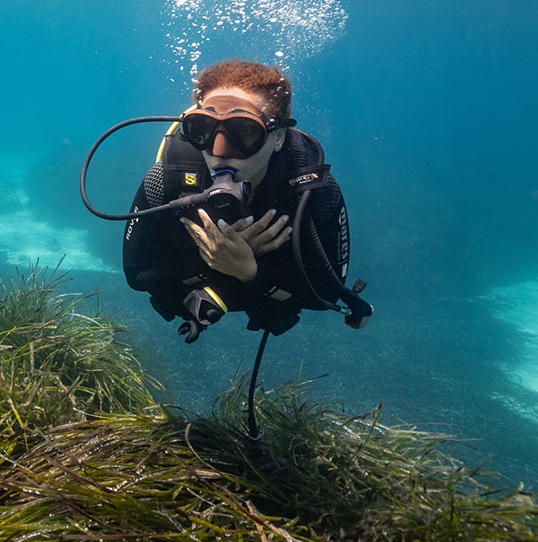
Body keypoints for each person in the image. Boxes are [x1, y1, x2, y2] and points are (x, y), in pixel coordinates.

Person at [122, 59, 369, 343]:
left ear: (277, 138)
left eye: (245, 131)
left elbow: (328, 293)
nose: (219, 151)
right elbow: (135, 273)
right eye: (203, 128)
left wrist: (252, 272)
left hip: (267, 298)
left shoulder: (315, 192)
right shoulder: (166, 178)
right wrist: (214, 261)